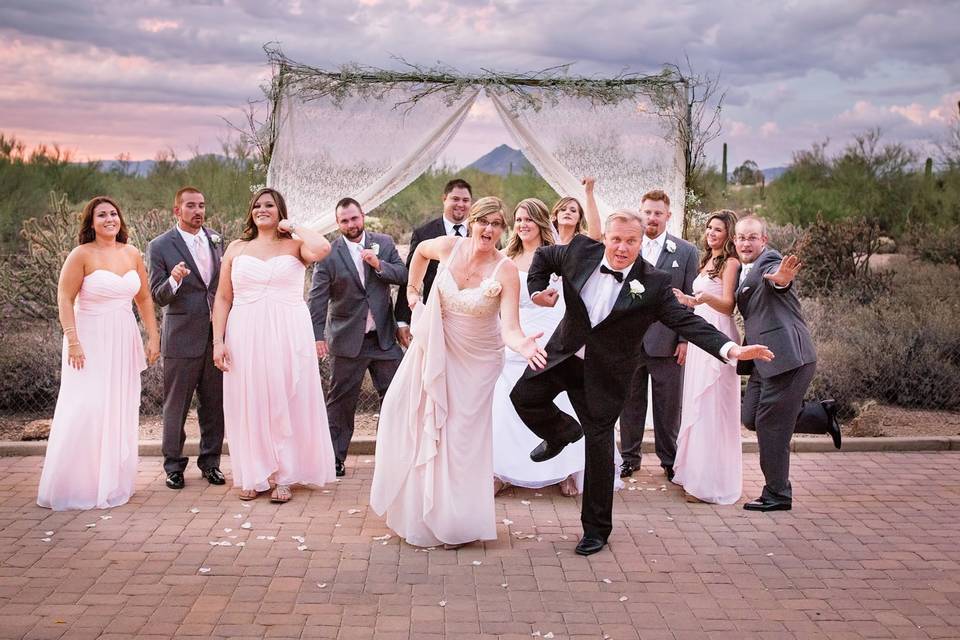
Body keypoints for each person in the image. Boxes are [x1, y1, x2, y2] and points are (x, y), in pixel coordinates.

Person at [511, 209, 775, 556]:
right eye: (616, 239)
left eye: (630, 241)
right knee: (523, 396)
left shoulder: (653, 284)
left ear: (640, 243)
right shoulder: (578, 251)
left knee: (600, 448)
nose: (622, 248)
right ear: (605, 237)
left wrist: (730, 349)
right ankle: (561, 432)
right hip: (564, 356)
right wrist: (536, 291)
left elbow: (687, 321)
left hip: (606, 375)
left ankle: (596, 531)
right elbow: (544, 256)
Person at [370, 197, 546, 548]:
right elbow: (419, 251)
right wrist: (412, 289)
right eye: (484, 221)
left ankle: (456, 522)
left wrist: (524, 344)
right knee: (411, 420)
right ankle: (421, 514)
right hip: (435, 349)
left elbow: (510, 326)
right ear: (471, 223)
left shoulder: (505, 270)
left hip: (478, 362)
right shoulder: (449, 247)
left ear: (502, 230)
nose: (489, 229)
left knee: (461, 441)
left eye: (497, 224)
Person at [211, 188, 336, 503]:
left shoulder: (295, 245)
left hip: (288, 331)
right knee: (250, 398)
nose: (261, 209)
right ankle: (254, 473)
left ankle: (285, 475)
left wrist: (292, 226)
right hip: (245, 330)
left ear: (280, 211)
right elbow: (224, 297)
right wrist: (218, 341)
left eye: (269, 205)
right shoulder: (237, 248)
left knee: (286, 397)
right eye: (256, 205)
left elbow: (322, 247)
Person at [492, 181, 615, 496]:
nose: (522, 225)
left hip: (552, 331)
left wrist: (588, 194)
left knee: (560, 400)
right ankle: (505, 469)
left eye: (528, 219)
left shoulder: (559, 253)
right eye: (518, 219)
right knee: (507, 405)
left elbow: (596, 237)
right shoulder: (505, 257)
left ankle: (565, 470)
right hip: (515, 334)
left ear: (541, 222)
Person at [38, 196, 160, 510]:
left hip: (122, 337)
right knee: (87, 406)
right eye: (101, 215)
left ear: (120, 219)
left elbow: (144, 298)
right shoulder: (81, 255)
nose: (109, 219)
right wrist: (73, 340)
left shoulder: (132, 253)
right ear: (91, 223)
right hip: (88, 339)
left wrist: (153, 336)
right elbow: (64, 299)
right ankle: (76, 484)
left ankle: (112, 480)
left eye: (113, 213)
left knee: (117, 405)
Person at [734, 214, 841, 512]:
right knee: (751, 418)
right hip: (762, 359)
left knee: (770, 425)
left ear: (764, 240)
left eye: (752, 237)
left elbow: (778, 279)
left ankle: (777, 494)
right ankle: (820, 415)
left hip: (788, 358)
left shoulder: (770, 261)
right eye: (741, 237)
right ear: (735, 241)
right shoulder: (744, 269)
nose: (746, 242)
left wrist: (782, 280)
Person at [308, 197, 408, 478]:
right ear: (338, 223)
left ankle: (390, 456)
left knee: (396, 396)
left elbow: (403, 275)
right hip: (347, 339)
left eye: (354, 218)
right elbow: (317, 300)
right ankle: (335, 459)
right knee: (341, 401)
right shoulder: (328, 253)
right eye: (344, 221)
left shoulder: (384, 243)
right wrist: (317, 336)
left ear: (362, 216)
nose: (351, 225)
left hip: (383, 339)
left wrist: (379, 265)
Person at [147, 187, 226, 490]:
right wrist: (174, 280)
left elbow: (220, 287)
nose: (198, 211)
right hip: (181, 338)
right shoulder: (160, 246)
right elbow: (158, 296)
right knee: (176, 405)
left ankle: (211, 463)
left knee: (214, 405)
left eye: (202, 205)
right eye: (191, 206)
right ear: (176, 210)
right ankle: (173, 466)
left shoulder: (217, 239)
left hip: (215, 335)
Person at [618, 190, 699, 481]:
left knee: (668, 407)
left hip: (667, 342)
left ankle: (669, 460)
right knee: (629, 404)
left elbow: (689, 298)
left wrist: (685, 339)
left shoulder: (686, 252)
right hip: (629, 341)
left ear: (668, 215)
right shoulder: (626, 246)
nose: (651, 218)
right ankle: (629, 458)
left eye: (657, 213)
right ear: (640, 213)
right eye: (647, 212)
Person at [670, 210, 742, 504]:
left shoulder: (731, 263)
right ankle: (693, 474)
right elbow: (702, 301)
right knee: (696, 404)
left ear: (729, 235)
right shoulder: (706, 260)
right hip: (701, 335)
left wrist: (702, 299)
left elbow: (726, 306)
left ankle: (711, 483)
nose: (712, 233)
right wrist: (688, 301)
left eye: (719, 229)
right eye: (710, 228)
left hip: (718, 335)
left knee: (713, 407)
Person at [394, 178, 472, 348]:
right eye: (455, 199)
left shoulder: (483, 232)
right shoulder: (424, 233)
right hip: (435, 315)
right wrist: (402, 320)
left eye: (465, 200)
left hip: (472, 317)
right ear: (444, 199)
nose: (461, 204)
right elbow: (410, 277)